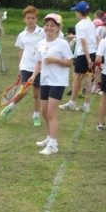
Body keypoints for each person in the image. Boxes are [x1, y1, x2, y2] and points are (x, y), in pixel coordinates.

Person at [29, 14, 73, 155]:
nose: (49, 28)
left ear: (58, 28)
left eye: (52, 25)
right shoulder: (41, 43)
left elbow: (69, 62)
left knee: (51, 113)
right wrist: (33, 75)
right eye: (47, 25)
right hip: (45, 81)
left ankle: (53, 145)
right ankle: (49, 138)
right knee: (44, 112)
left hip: (58, 82)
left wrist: (55, 60)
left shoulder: (62, 44)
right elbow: (39, 62)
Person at [0, 6, 45, 126]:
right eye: (28, 18)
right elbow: (21, 51)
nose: (31, 20)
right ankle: (10, 106)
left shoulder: (42, 32)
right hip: (26, 67)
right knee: (23, 92)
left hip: (40, 68)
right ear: (24, 19)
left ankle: (36, 116)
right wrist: (20, 68)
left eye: (33, 18)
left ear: (36, 19)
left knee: (37, 94)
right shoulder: (22, 35)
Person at [59, 1, 99, 112]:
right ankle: (86, 106)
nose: (75, 14)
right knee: (87, 78)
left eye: (76, 11)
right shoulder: (91, 23)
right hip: (92, 53)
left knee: (76, 77)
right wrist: (96, 54)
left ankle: (72, 103)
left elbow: (83, 42)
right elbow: (98, 38)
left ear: (79, 12)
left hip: (84, 54)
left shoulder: (80, 25)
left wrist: (88, 59)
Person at [95, 17, 106, 131]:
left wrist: (100, 66)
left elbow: (98, 59)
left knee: (104, 98)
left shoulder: (104, 41)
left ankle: (101, 123)